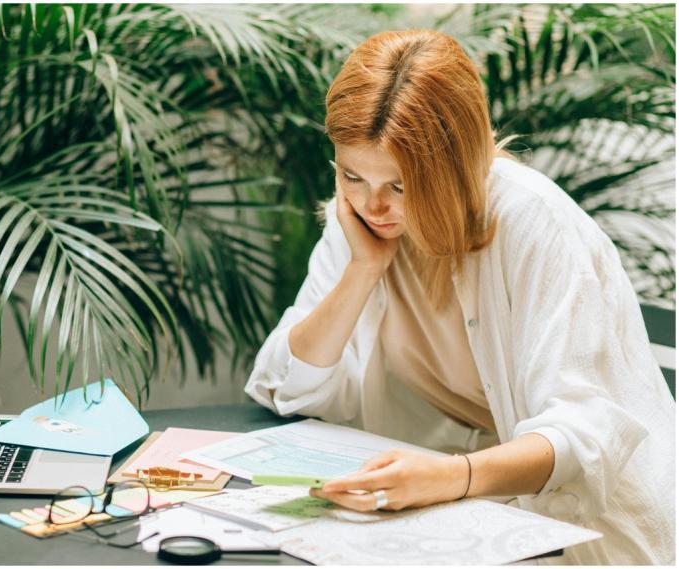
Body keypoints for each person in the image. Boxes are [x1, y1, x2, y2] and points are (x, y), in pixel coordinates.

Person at [244, 29, 674, 564]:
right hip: (448, 512)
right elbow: (288, 385)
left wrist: (451, 477)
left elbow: (582, 437)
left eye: (399, 185)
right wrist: (362, 269)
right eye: (351, 175)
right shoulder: (362, 222)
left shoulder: (534, 224)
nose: (373, 204)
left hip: (582, 530)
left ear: (454, 166)